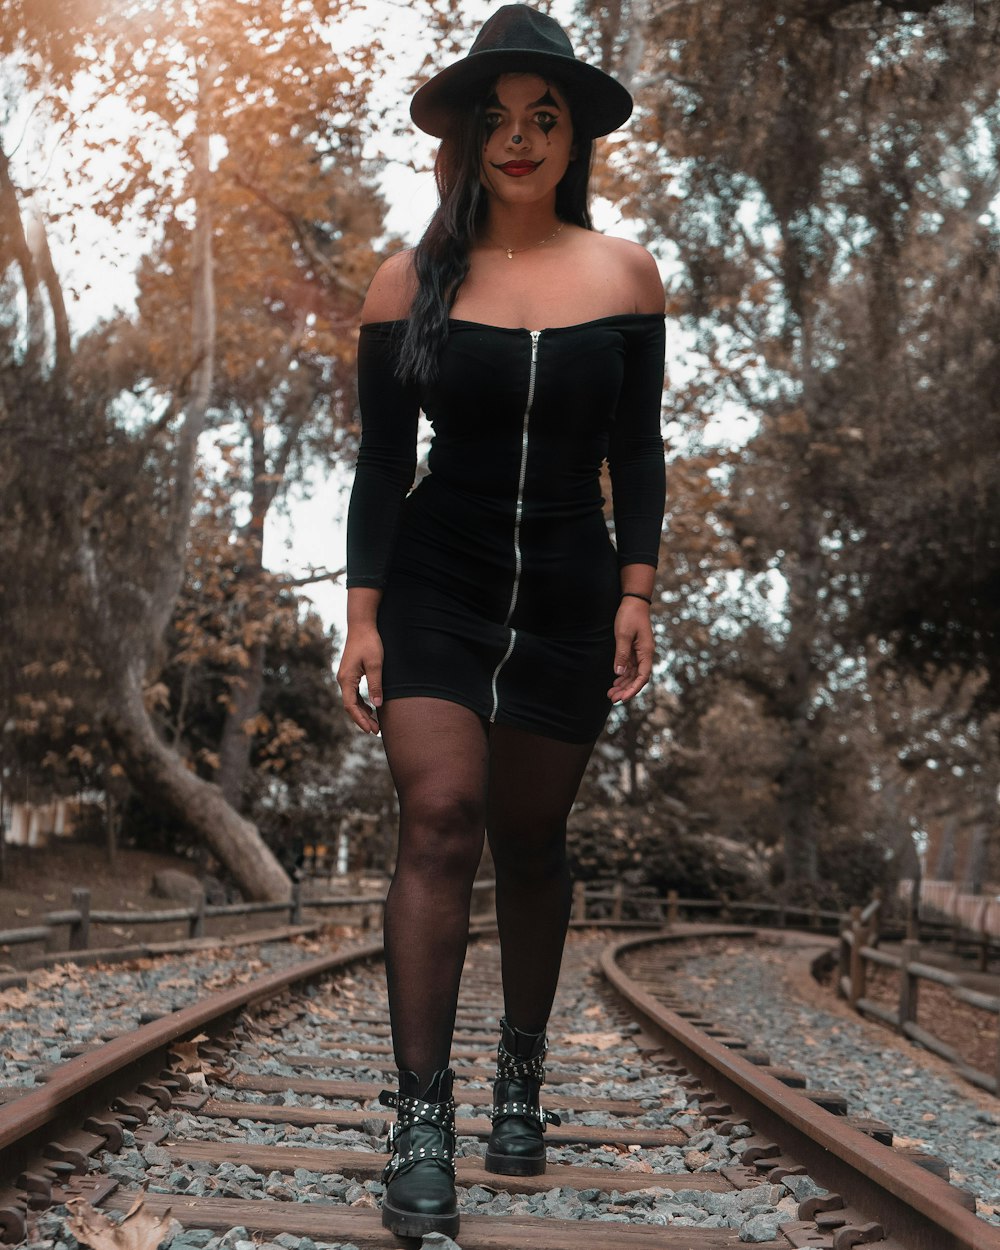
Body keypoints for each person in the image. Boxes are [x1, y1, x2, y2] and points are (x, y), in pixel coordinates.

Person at [336, 4, 666, 1238]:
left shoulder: (624, 273)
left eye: (544, 117)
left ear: (572, 136)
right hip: (438, 579)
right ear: (467, 138)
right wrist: (362, 617)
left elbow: (636, 448)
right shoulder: (404, 280)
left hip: (572, 593)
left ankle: (517, 1078)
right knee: (439, 818)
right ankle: (421, 1122)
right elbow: (381, 465)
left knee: (529, 841)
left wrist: (638, 591)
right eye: (498, 119)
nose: (520, 139)